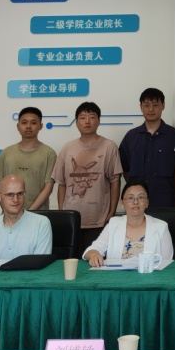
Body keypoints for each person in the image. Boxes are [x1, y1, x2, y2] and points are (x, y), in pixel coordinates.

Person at [52, 101, 124, 252]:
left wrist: (111, 212)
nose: (87, 121)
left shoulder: (109, 146)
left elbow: (115, 181)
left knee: (96, 260)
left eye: (92, 117)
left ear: (99, 121)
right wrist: (62, 212)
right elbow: (62, 183)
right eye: (82, 117)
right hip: (71, 218)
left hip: (99, 219)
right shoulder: (67, 148)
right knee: (72, 259)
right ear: (76, 122)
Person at [84, 179, 174, 268]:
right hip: (117, 276)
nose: (135, 202)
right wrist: (94, 255)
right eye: (130, 198)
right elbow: (92, 250)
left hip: (150, 277)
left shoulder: (161, 227)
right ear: (122, 203)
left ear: (147, 202)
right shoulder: (113, 224)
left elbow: (167, 264)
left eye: (141, 197)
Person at [118, 87, 175, 208]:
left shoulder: (174, 135)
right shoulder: (131, 136)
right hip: (136, 204)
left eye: (155, 105)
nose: (151, 109)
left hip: (165, 201)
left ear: (163, 106)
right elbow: (124, 168)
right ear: (141, 107)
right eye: (146, 105)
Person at [0, 106, 57, 211]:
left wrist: (28, 214)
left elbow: (48, 188)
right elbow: (0, 187)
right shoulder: (6, 153)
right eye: (24, 122)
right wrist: (10, 212)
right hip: (10, 216)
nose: (28, 126)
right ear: (18, 126)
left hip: (38, 215)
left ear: (41, 126)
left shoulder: (49, 154)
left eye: (33, 123)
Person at [0, 174, 52, 260]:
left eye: (20, 194)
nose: (15, 200)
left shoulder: (41, 224)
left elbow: (40, 264)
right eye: (10, 195)